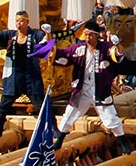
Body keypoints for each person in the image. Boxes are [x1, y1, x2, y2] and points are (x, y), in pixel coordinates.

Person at [52, 19, 128, 150]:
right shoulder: (79, 48)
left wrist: (118, 45)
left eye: (90, 35)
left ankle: (123, 143)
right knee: (69, 114)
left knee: (110, 116)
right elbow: (64, 54)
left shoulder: (106, 48)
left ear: (97, 35)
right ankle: (59, 140)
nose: (87, 38)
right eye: (86, 35)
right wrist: (49, 48)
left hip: (100, 90)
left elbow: (118, 56)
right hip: (82, 89)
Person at [0, 10, 48, 138]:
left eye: (21, 21)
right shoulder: (10, 35)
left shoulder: (35, 34)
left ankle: (53, 128)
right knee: (3, 105)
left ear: (27, 22)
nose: (19, 24)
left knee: (42, 105)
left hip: (31, 76)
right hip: (14, 77)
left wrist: (48, 34)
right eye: (17, 21)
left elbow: (45, 43)